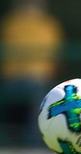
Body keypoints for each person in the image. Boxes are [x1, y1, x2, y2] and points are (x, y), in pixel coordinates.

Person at [1, 0, 63, 145]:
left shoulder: (49, 25)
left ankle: (33, 145)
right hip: (10, 80)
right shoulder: (10, 23)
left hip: (38, 81)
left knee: (43, 97)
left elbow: (54, 58)